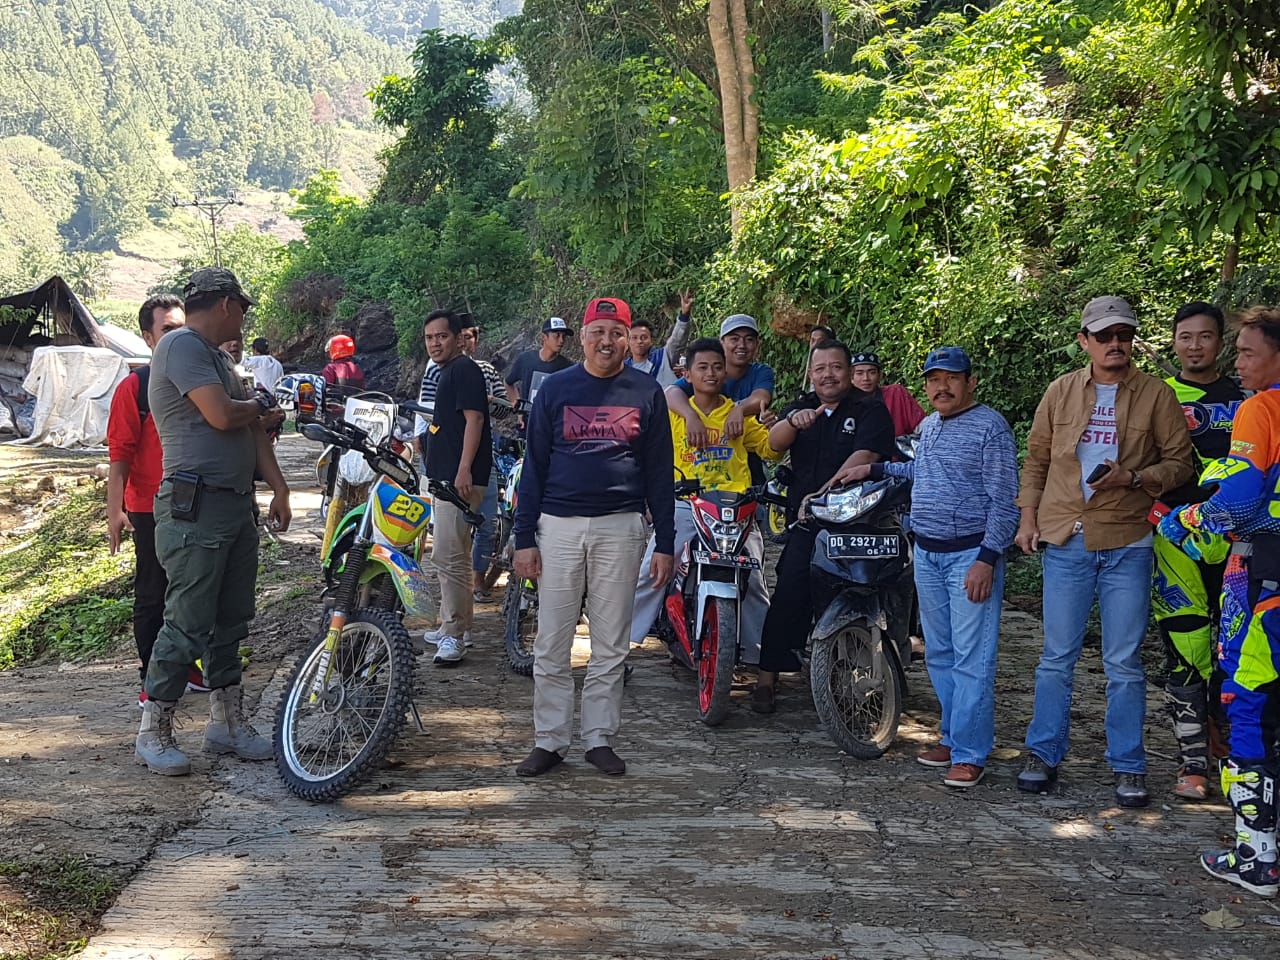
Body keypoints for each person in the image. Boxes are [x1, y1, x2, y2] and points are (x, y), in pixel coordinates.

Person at [1015, 295, 1195, 807]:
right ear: (1085, 342)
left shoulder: (1156, 395)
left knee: (1124, 661)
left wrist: (1136, 477)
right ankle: (1043, 754)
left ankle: (1129, 764)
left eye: (1123, 335)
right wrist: (1028, 518)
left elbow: (1180, 464)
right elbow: (1037, 461)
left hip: (1127, 539)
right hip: (1067, 536)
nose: (1115, 344)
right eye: (1104, 336)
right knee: (1055, 657)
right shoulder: (1061, 391)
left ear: (1132, 340)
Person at [837, 347, 1019, 787]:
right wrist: (874, 468)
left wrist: (987, 558)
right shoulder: (930, 425)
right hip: (928, 553)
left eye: (952, 378)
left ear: (970, 381)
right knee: (939, 652)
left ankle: (973, 753)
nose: (942, 387)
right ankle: (954, 738)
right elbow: (927, 471)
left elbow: (1005, 500)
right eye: (934, 379)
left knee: (973, 658)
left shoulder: (990, 427)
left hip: (969, 556)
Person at [134, 267, 291, 776]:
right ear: (225, 304)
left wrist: (281, 486)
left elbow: (248, 432)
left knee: (231, 621)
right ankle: (153, 728)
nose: (244, 320)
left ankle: (226, 724)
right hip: (194, 508)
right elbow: (225, 416)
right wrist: (258, 407)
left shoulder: (219, 360)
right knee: (186, 620)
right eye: (242, 308)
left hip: (232, 506)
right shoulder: (180, 345)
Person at [512, 297, 674, 778]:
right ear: (582, 337)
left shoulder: (646, 392)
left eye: (616, 332)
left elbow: (660, 471)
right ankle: (551, 740)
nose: (607, 341)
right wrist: (524, 537)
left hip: (621, 527)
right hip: (557, 526)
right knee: (552, 639)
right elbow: (534, 466)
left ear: (629, 338)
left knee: (611, 641)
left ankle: (599, 737)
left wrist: (664, 539)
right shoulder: (557, 390)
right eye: (598, 331)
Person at [1159, 306, 1280, 897]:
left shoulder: (1263, 407)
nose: (1238, 362)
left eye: (1248, 352)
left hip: (1263, 573)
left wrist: (1188, 520)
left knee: (1247, 700)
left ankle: (1257, 856)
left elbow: (1239, 495)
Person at [750, 340, 898, 713]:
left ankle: (873, 671)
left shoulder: (870, 410)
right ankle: (767, 678)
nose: (828, 375)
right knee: (789, 591)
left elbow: (863, 456)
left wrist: (820, 495)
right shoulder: (802, 406)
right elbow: (773, 442)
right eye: (820, 369)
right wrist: (790, 422)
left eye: (835, 367)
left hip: (857, 521)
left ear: (849, 372)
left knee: (859, 591)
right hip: (807, 520)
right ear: (811, 374)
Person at [629, 338, 779, 663]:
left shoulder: (737, 416)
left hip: (735, 509)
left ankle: (762, 656)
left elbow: (771, 448)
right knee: (653, 570)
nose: (710, 373)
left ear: (725, 372)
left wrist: (780, 425)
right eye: (702, 367)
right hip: (687, 503)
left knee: (752, 577)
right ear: (688, 374)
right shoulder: (674, 415)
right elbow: (649, 446)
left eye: (716, 367)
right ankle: (621, 642)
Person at [1153, 301, 1245, 801]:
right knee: (1185, 645)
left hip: (1239, 538)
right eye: (1185, 337)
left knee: (1239, 648)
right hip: (1176, 535)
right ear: (1174, 341)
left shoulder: (1249, 393)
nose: (1194, 346)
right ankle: (1192, 761)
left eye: (1204, 336)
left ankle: (1235, 750)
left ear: (1220, 341)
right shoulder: (1157, 394)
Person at [107, 295, 204, 705]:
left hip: (197, 501)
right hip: (148, 508)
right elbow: (120, 453)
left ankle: (188, 666)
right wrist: (115, 510)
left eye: (182, 327)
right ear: (148, 337)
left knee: (195, 591)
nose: (177, 335)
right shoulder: (136, 387)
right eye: (167, 329)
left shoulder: (200, 381)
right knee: (152, 593)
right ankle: (152, 677)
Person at [420, 309, 492, 666]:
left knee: (449, 557)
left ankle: (454, 635)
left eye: (442, 336)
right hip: (446, 478)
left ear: (458, 338)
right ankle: (456, 624)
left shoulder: (464, 370)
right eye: (430, 338)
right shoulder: (446, 372)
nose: (435, 343)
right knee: (452, 555)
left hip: (460, 480)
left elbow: (474, 420)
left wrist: (464, 469)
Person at [665, 314, 775, 448]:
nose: (742, 345)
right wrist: (690, 416)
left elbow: (761, 398)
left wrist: (738, 409)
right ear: (721, 342)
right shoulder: (708, 375)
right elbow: (670, 393)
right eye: (734, 339)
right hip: (705, 446)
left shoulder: (761, 372)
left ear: (757, 344)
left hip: (748, 445)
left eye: (749, 339)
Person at [624, 288, 694, 387]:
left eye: (644, 337)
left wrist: (684, 314)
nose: (639, 341)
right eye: (634, 338)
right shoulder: (623, 369)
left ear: (652, 341)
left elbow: (677, 341)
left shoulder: (663, 356)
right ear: (627, 342)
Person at [850, 351, 928, 437]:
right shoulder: (843, 403)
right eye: (859, 373)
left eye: (872, 372)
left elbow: (924, 428)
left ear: (880, 375)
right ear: (851, 378)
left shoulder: (895, 393)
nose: (866, 378)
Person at [506, 317, 573, 406]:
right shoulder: (526, 359)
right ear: (543, 337)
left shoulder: (567, 367)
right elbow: (508, 383)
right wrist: (518, 406)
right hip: (528, 418)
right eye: (556, 336)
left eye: (564, 336)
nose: (561, 340)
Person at [322, 333, 365, 400]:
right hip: (356, 409)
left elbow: (325, 392)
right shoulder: (357, 369)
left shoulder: (330, 368)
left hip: (337, 408)